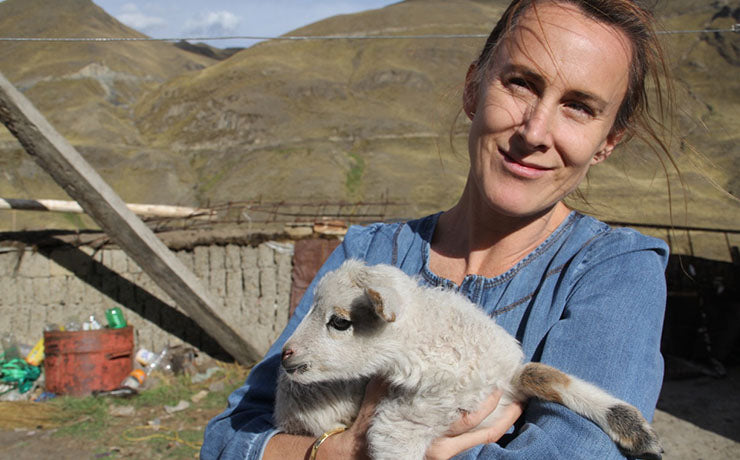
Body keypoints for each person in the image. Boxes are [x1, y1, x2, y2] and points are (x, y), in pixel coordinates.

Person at [201, 0, 673, 458]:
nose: (534, 132)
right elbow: (227, 439)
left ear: (607, 142)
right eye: (521, 83)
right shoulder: (367, 253)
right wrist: (341, 453)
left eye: (579, 106)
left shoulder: (614, 272)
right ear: (474, 88)